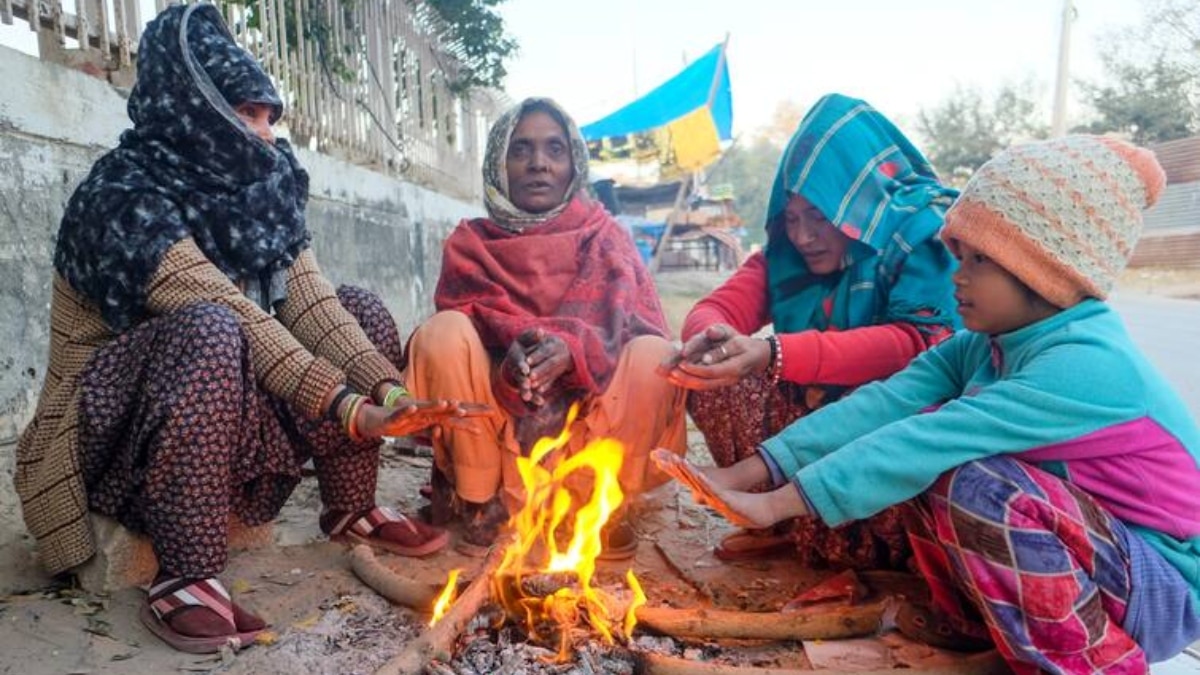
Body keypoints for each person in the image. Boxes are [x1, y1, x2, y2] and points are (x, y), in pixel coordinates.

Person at [14, 4, 481, 654]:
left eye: (269, 116)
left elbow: (315, 308)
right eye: (245, 114)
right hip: (109, 441)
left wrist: (391, 394)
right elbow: (233, 315)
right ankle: (185, 572)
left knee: (360, 309)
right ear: (189, 105)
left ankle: (351, 507)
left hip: (213, 418)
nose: (264, 135)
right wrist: (348, 407)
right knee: (208, 329)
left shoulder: (261, 190)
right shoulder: (120, 199)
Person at [654, 135, 1200, 672]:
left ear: (1046, 271)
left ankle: (1091, 662)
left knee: (977, 485)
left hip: (1163, 585)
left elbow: (927, 438)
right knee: (928, 467)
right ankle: (984, 642)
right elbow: (886, 403)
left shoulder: (1085, 364)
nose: (956, 276)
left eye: (980, 260)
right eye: (957, 254)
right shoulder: (985, 345)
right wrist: (744, 473)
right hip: (1104, 562)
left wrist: (775, 505)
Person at [659, 94, 960, 566]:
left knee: (890, 411)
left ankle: (870, 548)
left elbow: (917, 347)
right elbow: (719, 306)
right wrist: (712, 339)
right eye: (792, 219)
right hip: (813, 424)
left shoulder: (924, 236)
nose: (803, 236)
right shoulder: (786, 253)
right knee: (713, 377)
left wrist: (774, 353)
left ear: (857, 204)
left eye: (820, 217)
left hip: (891, 421)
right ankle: (786, 525)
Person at [404, 97, 688, 557]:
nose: (539, 163)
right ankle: (481, 502)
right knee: (442, 331)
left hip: (589, 430)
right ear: (499, 163)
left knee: (656, 355)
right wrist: (510, 358)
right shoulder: (470, 244)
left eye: (555, 149)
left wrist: (573, 352)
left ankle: (602, 502)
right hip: (500, 430)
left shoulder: (607, 237)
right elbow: (468, 331)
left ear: (574, 162)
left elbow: (637, 328)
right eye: (521, 150)